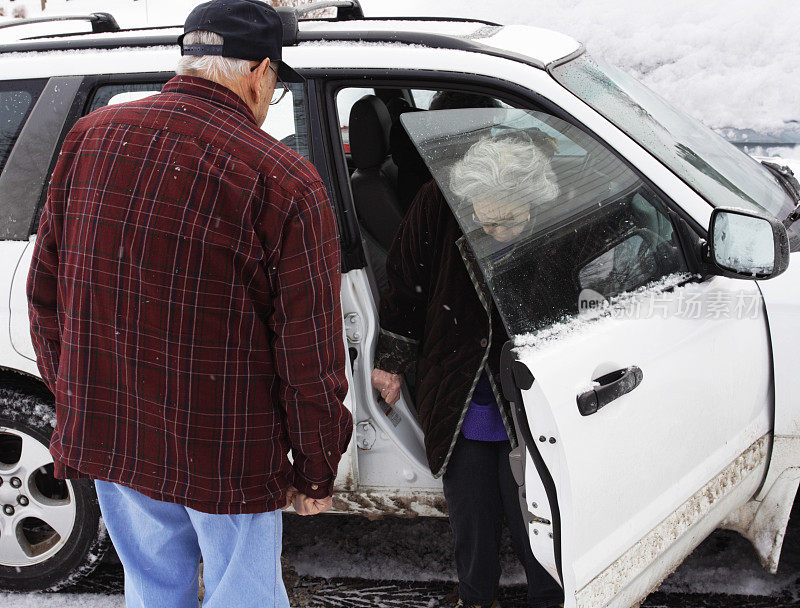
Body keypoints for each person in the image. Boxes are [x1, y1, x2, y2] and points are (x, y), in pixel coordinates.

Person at [26, 1, 352, 606]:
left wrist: (78, 395)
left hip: (115, 432)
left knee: (153, 590)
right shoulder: (284, 180)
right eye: (276, 83)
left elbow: (44, 296)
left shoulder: (90, 138)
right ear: (259, 71)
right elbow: (309, 353)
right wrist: (315, 467)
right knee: (245, 595)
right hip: (228, 447)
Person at [372, 132, 564, 608]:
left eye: (508, 219)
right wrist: (391, 364)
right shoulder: (438, 203)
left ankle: (553, 601)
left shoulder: (561, 223)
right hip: (459, 391)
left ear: (534, 203)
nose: (492, 226)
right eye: (483, 214)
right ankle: (476, 600)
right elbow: (405, 285)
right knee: (472, 521)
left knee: (536, 522)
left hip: (531, 403)